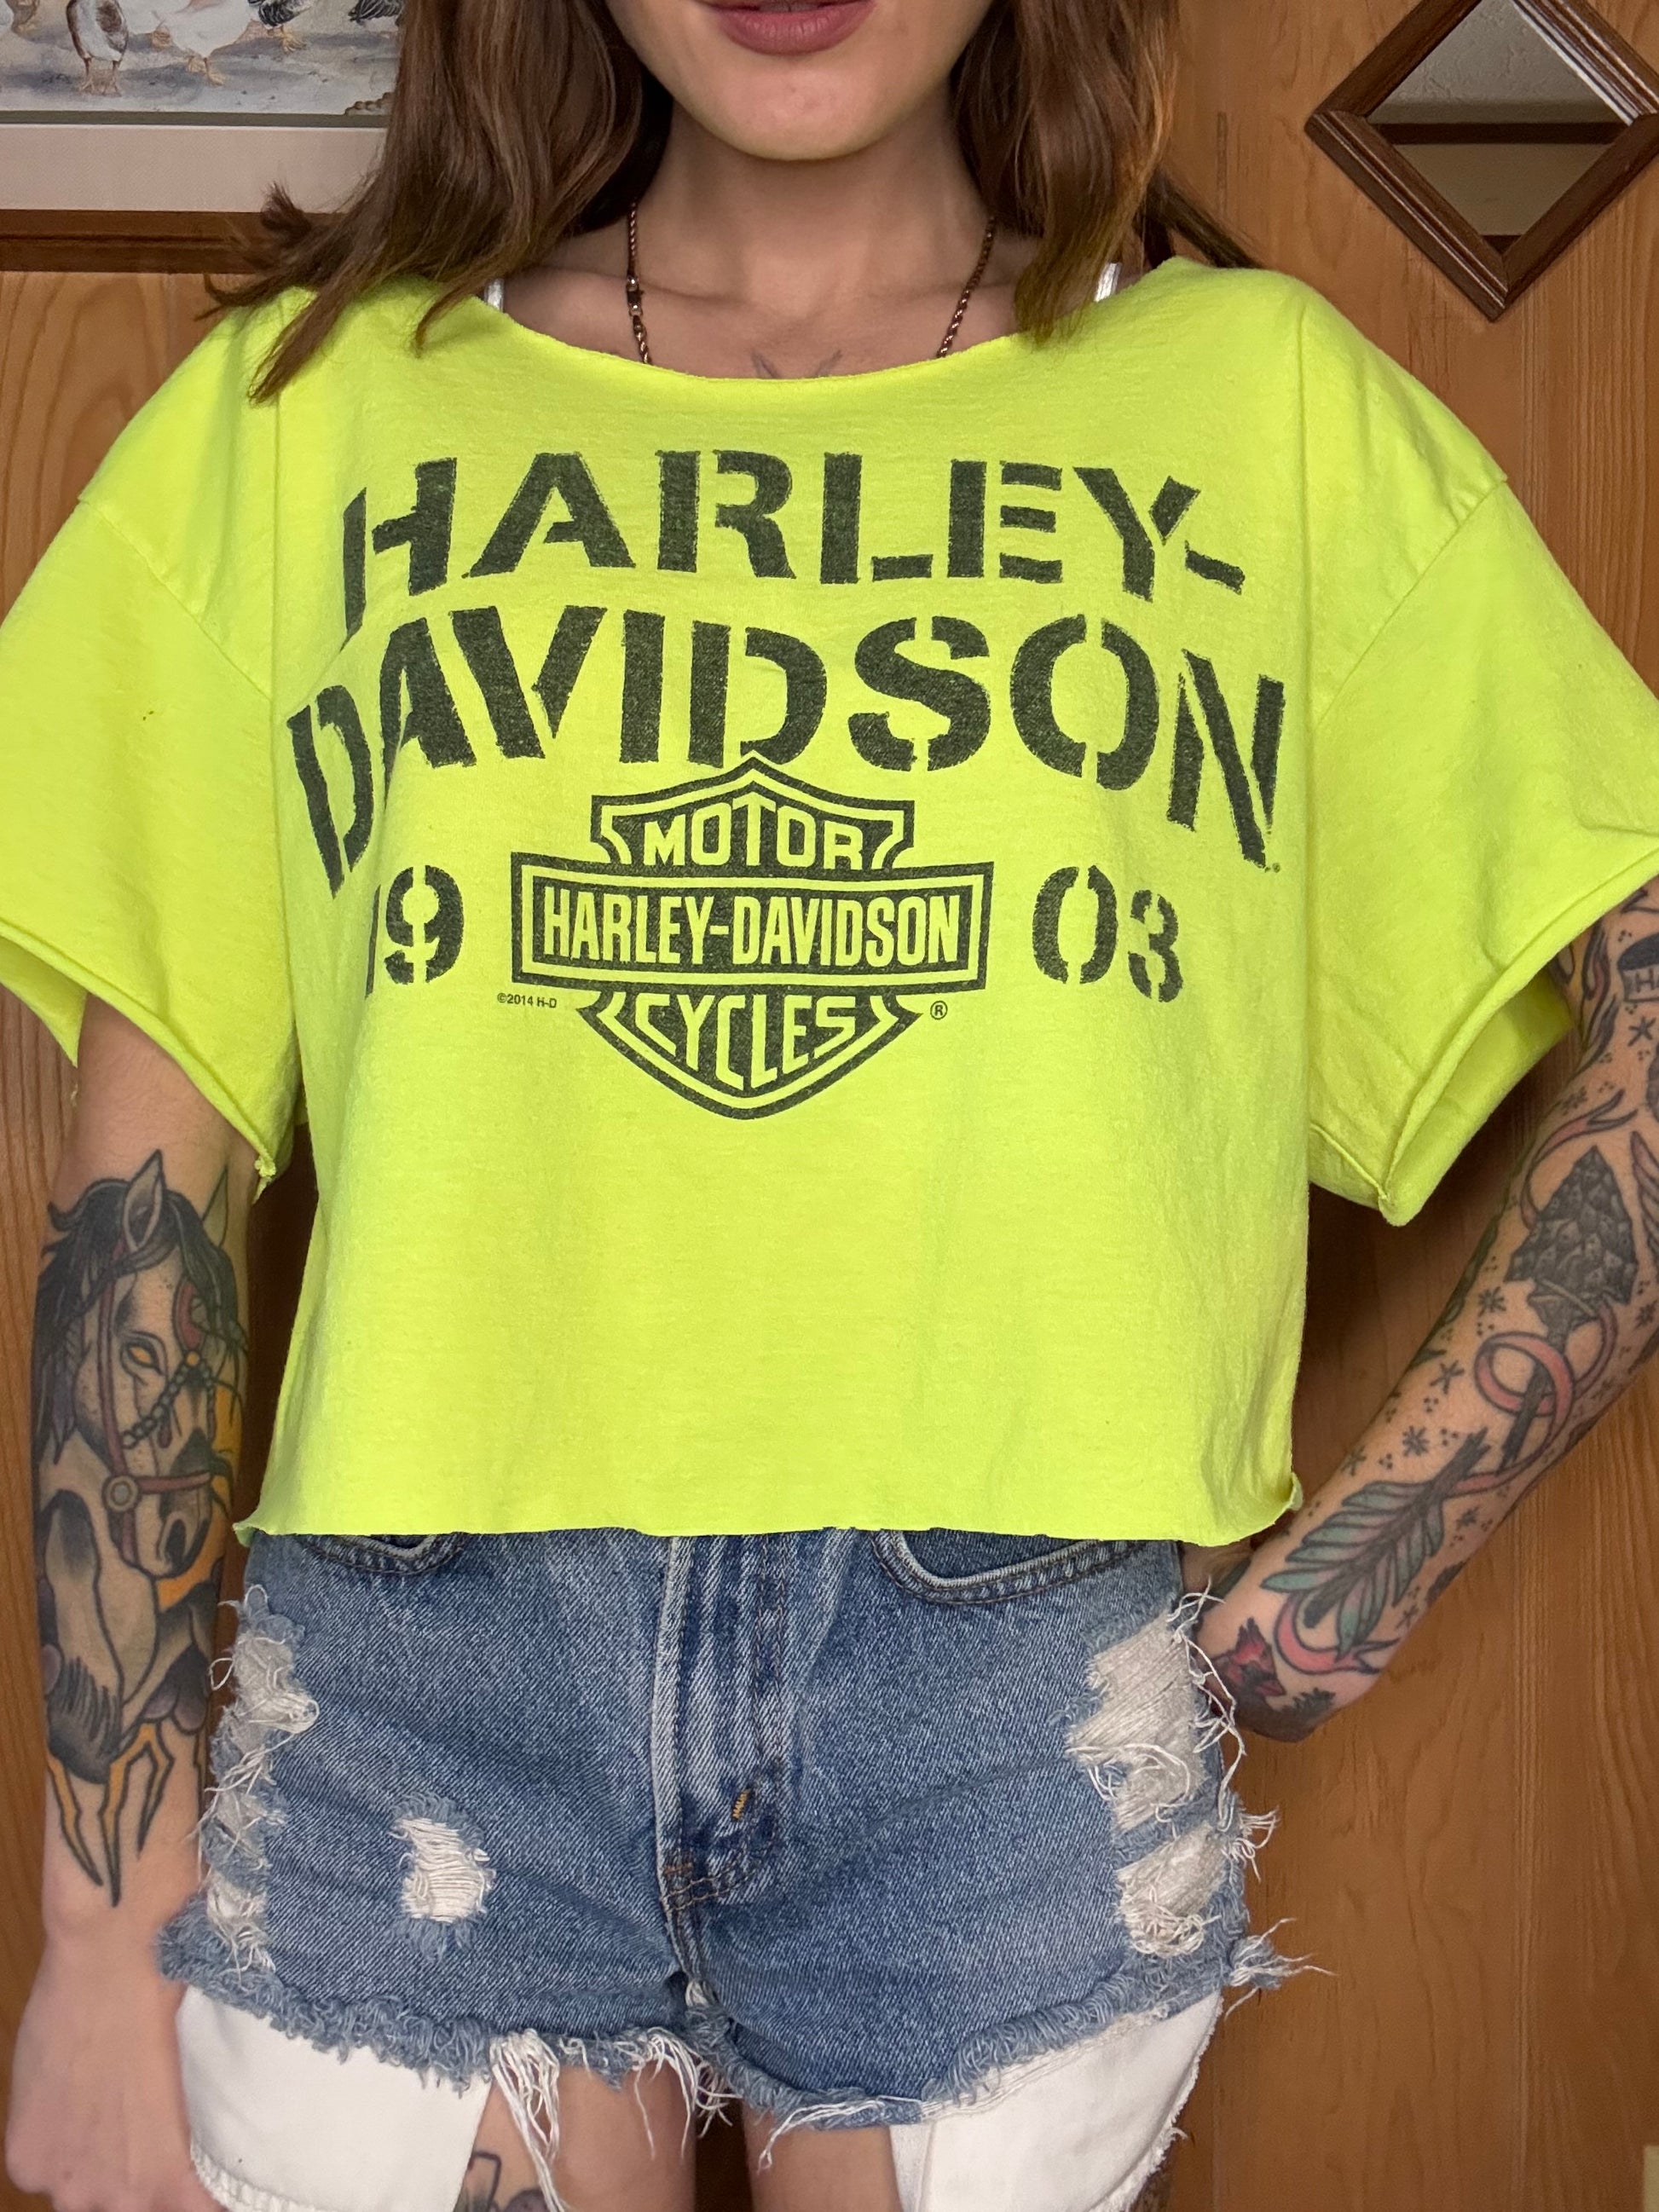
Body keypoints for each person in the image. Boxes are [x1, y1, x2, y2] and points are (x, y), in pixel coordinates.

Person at [4, 0, 1659, 2206]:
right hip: (427, 1699)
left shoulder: (1261, 412)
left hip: (991, 1717)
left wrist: (1366, 1559)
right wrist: (98, 1926)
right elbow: (147, 1195)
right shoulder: (305, 421)